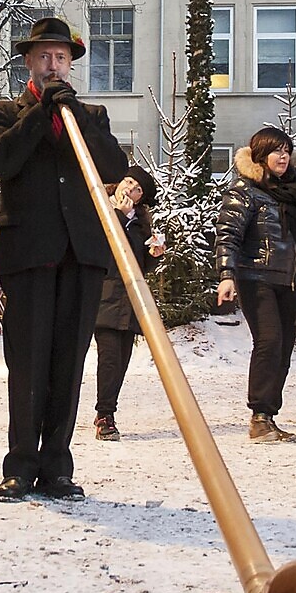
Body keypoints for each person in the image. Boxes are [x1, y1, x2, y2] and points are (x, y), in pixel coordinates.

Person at [0, 16, 127, 503]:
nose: (53, 65)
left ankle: (58, 467)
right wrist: (42, 114)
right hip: (29, 255)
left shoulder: (93, 115)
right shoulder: (2, 112)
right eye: (44, 56)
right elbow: (1, 161)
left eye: (61, 57)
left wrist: (76, 117)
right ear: (28, 61)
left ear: (71, 64)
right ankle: (20, 466)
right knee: (27, 362)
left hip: (81, 255)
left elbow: (112, 166)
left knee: (68, 362)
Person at [216, 127, 296, 444]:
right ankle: (259, 415)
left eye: (287, 150)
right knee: (270, 341)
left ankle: (269, 416)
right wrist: (226, 274)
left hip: (293, 278)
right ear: (261, 156)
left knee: (284, 347)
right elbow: (228, 233)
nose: (283, 156)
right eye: (276, 151)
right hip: (257, 276)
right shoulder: (245, 189)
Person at [89, 167, 164, 441]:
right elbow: (101, 245)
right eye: (128, 182)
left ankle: (106, 411)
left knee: (121, 360)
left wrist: (154, 254)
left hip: (131, 300)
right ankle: (105, 415)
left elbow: (142, 266)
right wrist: (119, 215)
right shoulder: (102, 209)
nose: (129, 189)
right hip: (105, 296)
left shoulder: (141, 223)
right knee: (108, 359)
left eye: (137, 188)